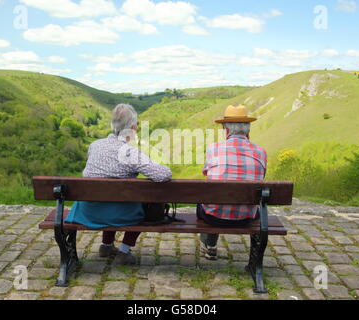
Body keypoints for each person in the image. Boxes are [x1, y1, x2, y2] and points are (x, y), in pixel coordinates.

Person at [65, 103, 172, 265]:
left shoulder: (94, 146)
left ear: (112, 125)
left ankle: (106, 245)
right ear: (134, 128)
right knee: (145, 206)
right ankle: (124, 251)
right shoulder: (130, 152)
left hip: (88, 212)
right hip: (120, 215)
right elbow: (163, 175)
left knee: (108, 197)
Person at [197, 104, 267, 260]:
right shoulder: (261, 152)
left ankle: (209, 245)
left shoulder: (213, 149)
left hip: (214, 217)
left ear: (226, 129)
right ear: (248, 129)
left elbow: (207, 173)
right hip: (246, 218)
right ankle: (253, 261)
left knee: (209, 198)